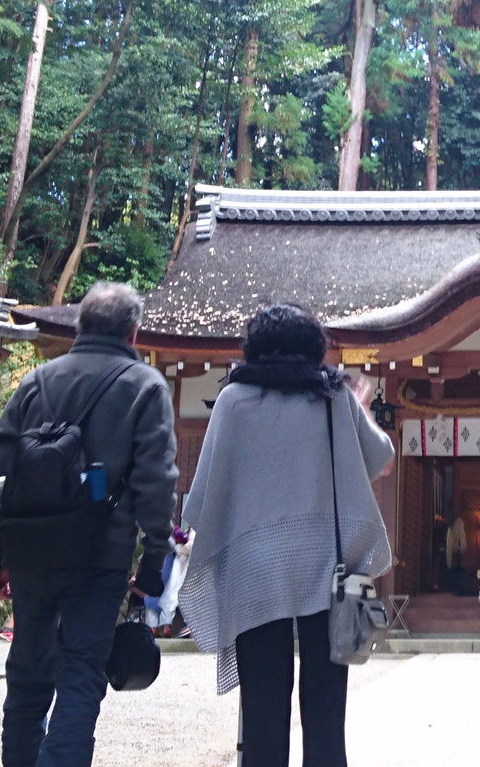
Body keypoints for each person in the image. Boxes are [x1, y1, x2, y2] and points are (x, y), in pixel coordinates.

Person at [180, 302, 393, 767]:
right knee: (325, 713)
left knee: (262, 709)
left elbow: (203, 496)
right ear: (314, 347)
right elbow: (382, 458)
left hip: (254, 573)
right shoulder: (334, 397)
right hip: (326, 570)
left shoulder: (234, 401)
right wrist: (361, 409)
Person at [0, 282, 177, 767]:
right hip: (99, 555)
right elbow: (155, 481)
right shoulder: (144, 386)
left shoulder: (37, 382)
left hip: (29, 551)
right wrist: (154, 559)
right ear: (133, 331)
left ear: (80, 325)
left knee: (26, 675)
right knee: (81, 674)